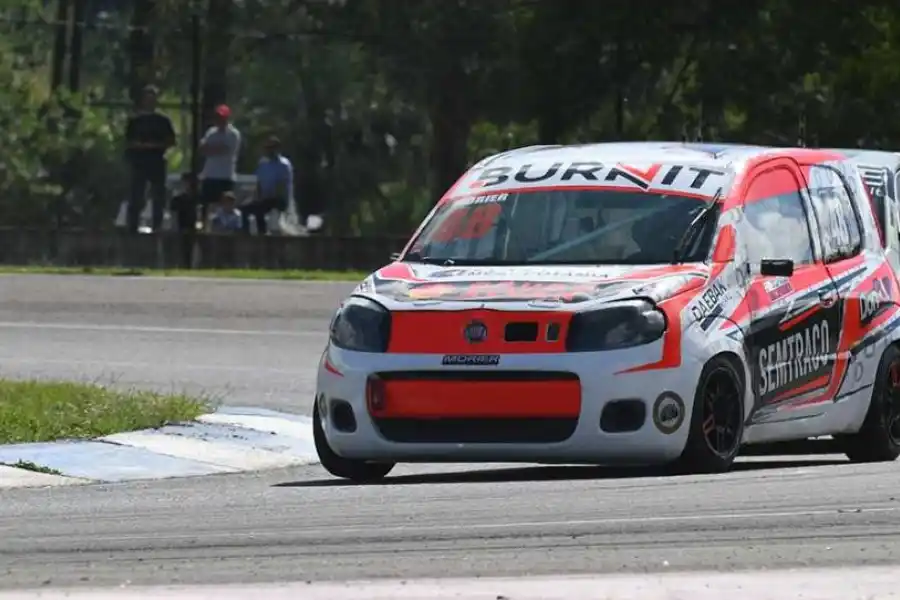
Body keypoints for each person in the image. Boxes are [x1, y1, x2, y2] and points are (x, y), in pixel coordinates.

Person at [124, 85, 176, 233]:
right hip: (139, 161)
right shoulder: (135, 121)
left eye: (152, 98)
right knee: (136, 194)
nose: (149, 101)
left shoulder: (162, 120)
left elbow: (170, 141)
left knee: (158, 194)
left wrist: (154, 145)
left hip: (157, 160)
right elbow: (129, 141)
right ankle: (132, 226)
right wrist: (141, 146)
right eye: (147, 98)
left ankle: (157, 225)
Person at [198, 104, 241, 228]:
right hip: (209, 174)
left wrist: (211, 149)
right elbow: (202, 149)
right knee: (206, 204)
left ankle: (226, 228)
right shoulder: (211, 132)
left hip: (225, 175)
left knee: (224, 204)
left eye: (222, 117)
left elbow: (225, 150)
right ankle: (205, 227)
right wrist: (213, 149)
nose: (219, 120)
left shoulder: (233, 134)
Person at [241, 136, 293, 235]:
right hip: (265, 198)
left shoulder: (284, 164)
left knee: (260, 209)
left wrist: (267, 198)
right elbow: (259, 183)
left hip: (278, 198)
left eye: (272, 148)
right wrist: (256, 197)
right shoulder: (263, 164)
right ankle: (246, 234)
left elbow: (281, 186)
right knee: (245, 209)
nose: (269, 150)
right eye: (268, 148)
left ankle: (263, 234)